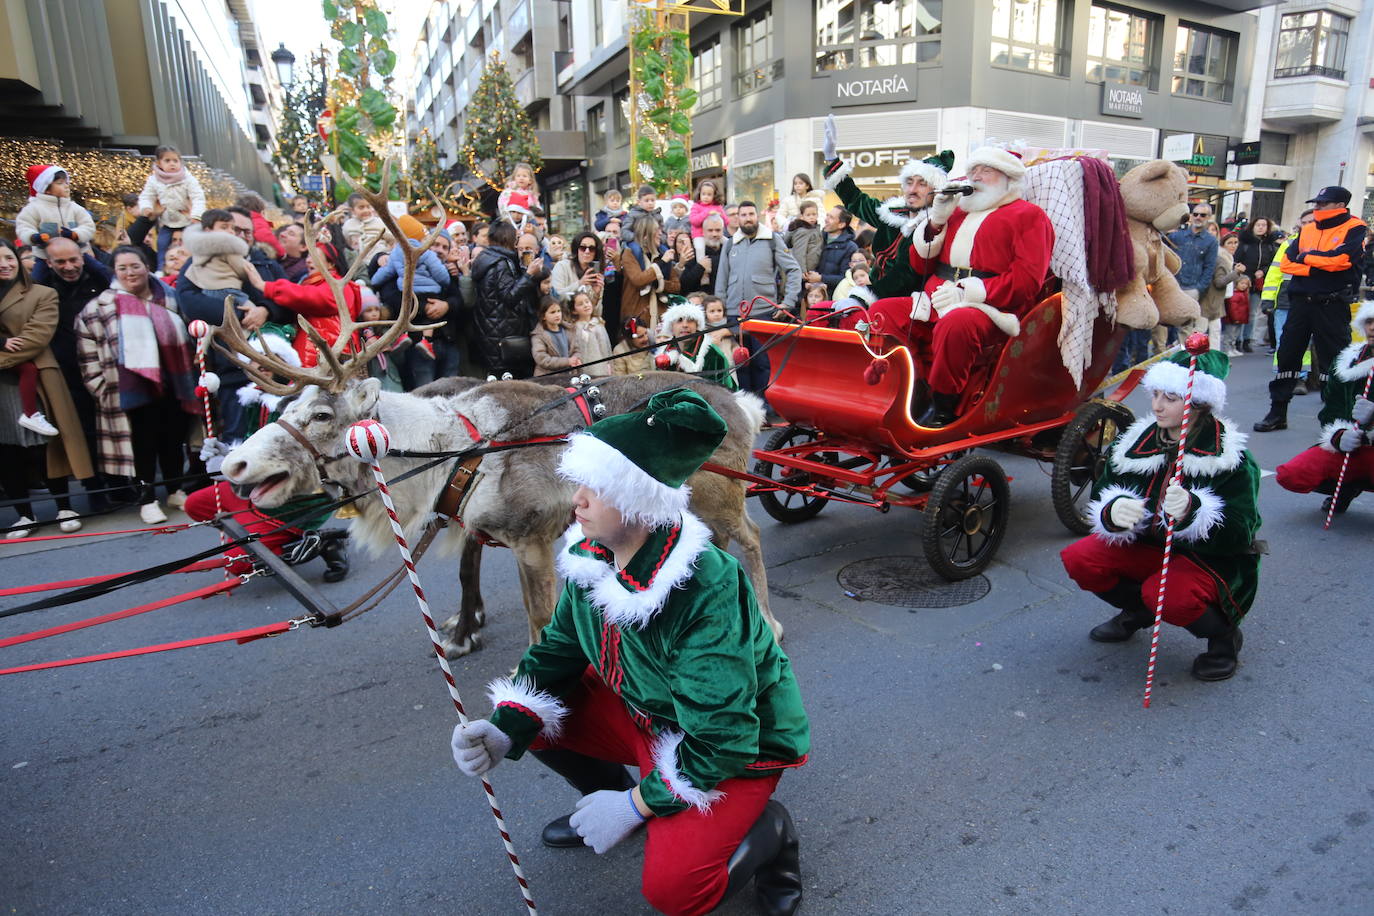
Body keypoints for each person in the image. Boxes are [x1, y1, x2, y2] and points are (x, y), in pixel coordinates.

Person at [450, 388, 808, 916]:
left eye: (596, 487)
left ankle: (772, 832)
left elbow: (725, 737)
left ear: (640, 498)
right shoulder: (592, 550)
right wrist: (505, 726)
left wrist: (634, 807)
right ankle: (619, 791)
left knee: (675, 894)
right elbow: (557, 654)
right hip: (650, 719)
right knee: (539, 714)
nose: (577, 500)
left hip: (732, 748)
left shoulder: (704, 585)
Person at [1060, 349, 1261, 681]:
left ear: (1199, 403)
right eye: (1155, 394)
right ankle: (1140, 611)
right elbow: (1103, 492)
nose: (1156, 406)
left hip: (1209, 559)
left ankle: (1223, 638)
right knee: (1080, 559)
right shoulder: (1135, 441)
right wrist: (1113, 510)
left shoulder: (1231, 457)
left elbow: (1241, 533)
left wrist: (1194, 512)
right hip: (1149, 545)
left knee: (1167, 594)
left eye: (1171, 397)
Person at [874, 147, 1054, 427]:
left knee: (957, 324)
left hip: (990, 306)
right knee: (881, 312)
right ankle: (914, 386)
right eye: (973, 171)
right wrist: (936, 220)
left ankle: (943, 405)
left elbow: (1026, 281)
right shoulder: (956, 211)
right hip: (936, 296)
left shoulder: (1028, 216)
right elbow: (921, 267)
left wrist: (967, 291)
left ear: (1008, 178)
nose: (976, 177)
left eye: (986, 171)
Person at [75, 246, 199, 525]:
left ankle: (174, 489)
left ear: (146, 266)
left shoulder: (170, 296)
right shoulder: (100, 306)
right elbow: (87, 353)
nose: (130, 272)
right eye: (123, 268)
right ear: (114, 272)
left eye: (135, 266)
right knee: (141, 446)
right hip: (129, 388)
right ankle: (147, 498)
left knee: (173, 440)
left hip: (174, 382)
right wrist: (101, 387)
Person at [0, 239, 94, 537]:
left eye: (8, 257)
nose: (4, 264)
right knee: (7, 451)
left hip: (38, 375)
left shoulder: (42, 293)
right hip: (3, 382)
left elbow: (35, 337)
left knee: (47, 446)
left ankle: (64, 506)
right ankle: (24, 515)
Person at [1255, 187, 1367, 432]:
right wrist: (1319, 263)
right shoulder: (1306, 229)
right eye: (1315, 203)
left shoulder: (1355, 228)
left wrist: (1306, 259)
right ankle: (1278, 413)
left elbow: (1342, 261)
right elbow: (1287, 264)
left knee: (1335, 362)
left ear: (1339, 205)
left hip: (1332, 304)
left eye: (1322, 204)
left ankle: (1335, 418)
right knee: (1287, 356)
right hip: (1300, 303)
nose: (1316, 208)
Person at [820, 117, 953, 298]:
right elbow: (856, 199)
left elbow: (904, 276)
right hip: (876, 293)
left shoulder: (933, 227)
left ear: (936, 190)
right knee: (819, 311)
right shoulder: (892, 214)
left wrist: (864, 297)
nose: (912, 190)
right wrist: (831, 158)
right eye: (909, 182)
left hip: (907, 303)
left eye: (922, 184)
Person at [1276, 300, 1374, 515]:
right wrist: (1339, 436)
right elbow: (1331, 412)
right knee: (1291, 474)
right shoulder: (1348, 362)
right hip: (1354, 446)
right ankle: (1347, 486)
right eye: (1369, 321)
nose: (1372, 328)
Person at [716, 201, 803, 394]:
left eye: (751, 214)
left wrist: (788, 302)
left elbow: (793, 270)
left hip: (763, 313)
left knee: (763, 363)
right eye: (743, 214)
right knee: (740, 364)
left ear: (758, 216)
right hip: (734, 314)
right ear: (737, 218)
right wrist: (721, 311)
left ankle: (766, 409)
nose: (748, 218)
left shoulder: (772, 239)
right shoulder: (731, 243)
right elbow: (722, 278)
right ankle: (746, 408)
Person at [471, 219, 542, 378]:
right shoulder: (500, 263)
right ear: (507, 239)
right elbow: (510, 297)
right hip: (502, 334)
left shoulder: (486, 258)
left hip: (492, 333)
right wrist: (530, 274)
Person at [137, 146, 206, 270]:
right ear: (159, 163)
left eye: (175, 160)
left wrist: (196, 215)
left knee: (191, 246)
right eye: (167, 161)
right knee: (162, 244)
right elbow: (146, 196)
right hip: (167, 222)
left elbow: (198, 197)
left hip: (187, 220)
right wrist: (146, 208)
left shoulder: (188, 179)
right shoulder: (154, 180)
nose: (172, 164)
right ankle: (160, 269)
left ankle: (195, 267)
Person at [1162, 201, 1218, 349]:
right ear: (1191, 216)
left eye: (1203, 215)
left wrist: (1199, 288)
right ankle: (1160, 358)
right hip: (1171, 286)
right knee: (1162, 325)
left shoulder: (1211, 241)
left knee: (1185, 327)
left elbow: (1209, 267)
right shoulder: (1177, 237)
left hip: (1191, 288)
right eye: (1196, 214)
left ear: (1209, 217)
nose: (1198, 217)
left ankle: (1183, 360)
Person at [17, 164, 95, 264]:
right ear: (46, 189)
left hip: (79, 254)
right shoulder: (33, 209)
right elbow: (24, 226)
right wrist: (33, 237)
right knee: (38, 277)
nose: (66, 186)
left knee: (99, 271)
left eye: (67, 183)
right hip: (45, 256)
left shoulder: (74, 208)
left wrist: (75, 234)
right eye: (60, 183)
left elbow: (88, 226)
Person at [655, 298, 738, 391]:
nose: (685, 325)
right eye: (679, 320)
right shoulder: (664, 353)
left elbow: (725, 394)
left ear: (697, 325)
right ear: (671, 326)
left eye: (690, 320)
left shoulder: (713, 354)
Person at [616, 216, 681, 333]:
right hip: (637, 315)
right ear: (646, 234)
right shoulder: (629, 253)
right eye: (657, 230)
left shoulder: (663, 253)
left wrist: (658, 283)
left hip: (660, 318)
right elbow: (638, 280)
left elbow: (676, 286)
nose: (661, 233)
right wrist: (661, 264)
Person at [1236, 217, 1280, 352]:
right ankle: (1237, 340)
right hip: (1243, 281)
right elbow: (1236, 260)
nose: (1261, 227)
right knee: (1240, 311)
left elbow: (1273, 264)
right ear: (1252, 226)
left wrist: (1263, 271)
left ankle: (1247, 339)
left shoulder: (1269, 245)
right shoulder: (1244, 243)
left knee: (1252, 313)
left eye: (1264, 225)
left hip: (1258, 283)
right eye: (1258, 225)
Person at [1201, 232, 1245, 354]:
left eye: (1236, 243)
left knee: (1214, 330)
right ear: (1222, 244)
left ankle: (1214, 357)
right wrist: (1236, 273)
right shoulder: (1221, 258)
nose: (1233, 246)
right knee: (1204, 330)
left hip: (1217, 299)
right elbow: (1219, 282)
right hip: (1210, 300)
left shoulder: (1228, 257)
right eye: (1229, 243)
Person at [807, 206, 859, 297]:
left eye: (831, 217)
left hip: (832, 297)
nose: (826, 219)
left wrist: (821, 278)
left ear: (841, 225)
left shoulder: (850, 248)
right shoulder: (817, 238)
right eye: (827, 215)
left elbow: (846, 278)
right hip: (810, 294)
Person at [551, 231, 605, 313]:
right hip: (565, 320)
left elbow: (596, 312)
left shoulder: (595, 273)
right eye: (583, 248)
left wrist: (596, 294)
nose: (587, 251)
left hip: (586, 323)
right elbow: (556, 296)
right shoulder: (562, 266)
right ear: (577, 249)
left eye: (591, 248)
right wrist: (580, 284)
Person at [531, 297, 583, 381]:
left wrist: (576, 359)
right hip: (548, 379)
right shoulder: (538, 335)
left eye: (559, 311)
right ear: (543, 316)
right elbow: (542, 359)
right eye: (552, 312)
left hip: (570, 377)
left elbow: (577, 350)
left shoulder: (569, 330)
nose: (557, 315)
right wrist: (567, 361)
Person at [568, 289, 612, 369]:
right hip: (587, 369)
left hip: (604, 367)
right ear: (574, 311)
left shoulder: (598, 323)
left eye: (587, 302)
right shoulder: (575, 328)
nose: (585, 305)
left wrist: (609, 364)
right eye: (580, 304)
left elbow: (606, 347)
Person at [342, 193, 390, 258]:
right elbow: (347, 240)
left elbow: (390, 240)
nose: (366, 210)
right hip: (358, 260)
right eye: (361, 207)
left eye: (368, 206)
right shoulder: (348, 225)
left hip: (379, 258)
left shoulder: (380, 223)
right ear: (352, 210)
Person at [692, 213, 727, 295]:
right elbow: (685, 283)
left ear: (723, 231)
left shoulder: (730, 251)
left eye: (718, 230)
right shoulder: (695, 251)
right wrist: (699, 267)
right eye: (710, 230)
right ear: (703, 232)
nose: (714, 234)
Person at [785, 200, 822, 276]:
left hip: (813, 269)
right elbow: (799, 253)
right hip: (805, 271)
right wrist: (802, 271)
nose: (811, 217)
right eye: (808, 215)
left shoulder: (814, 229)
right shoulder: (803, 231)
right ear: (802, 216)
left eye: (814, 214)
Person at [1222, 275, 1252, 357]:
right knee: (1229, 335)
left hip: (1239, 319)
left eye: (1246, 284)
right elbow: (1232, 308)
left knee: (1234, 336)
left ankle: (1233, 349)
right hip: (1233, 319)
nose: (1244, 285)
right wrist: (1235, 318)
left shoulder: (1243, 294)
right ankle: (1227, 350)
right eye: (1241, 283)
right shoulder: (1235, 294)